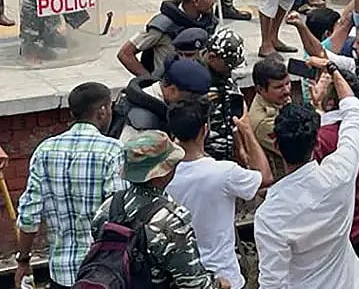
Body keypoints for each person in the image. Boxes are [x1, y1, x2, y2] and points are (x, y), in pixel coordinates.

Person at [255, 67, 359, 289]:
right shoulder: (340, 172)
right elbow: (355, 115)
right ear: (317, 144)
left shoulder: (270, 215)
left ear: (276, 144)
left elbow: (272, 284)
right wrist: (334, 71)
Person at [15, 83, 124, 289]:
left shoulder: (44, 150)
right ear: (102, 111)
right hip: (102, 273)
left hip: (61, 273)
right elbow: (117, 215)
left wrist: (23, 261)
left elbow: (29, 216)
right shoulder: (113, 151)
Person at [92, 130, 229, 288]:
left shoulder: (108, 207)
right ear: (163, 173)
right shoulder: (170, 221)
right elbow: (193, 284)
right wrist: (220, 284)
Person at [166, 99, 272, 289]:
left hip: (182, 278)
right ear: (204, 129)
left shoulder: (163, 174)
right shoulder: (224, 173)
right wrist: (246, 131)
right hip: (224, 275)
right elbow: (264, 177)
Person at [311, 68, 359, 274]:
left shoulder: (323, 139)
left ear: (333, 101)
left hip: (338, 231)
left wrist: (317, 108)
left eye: (324, 86)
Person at [118, 0, 219, 77]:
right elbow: (125, 54)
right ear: (196, 1)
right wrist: (149, 80)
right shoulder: (163, 25)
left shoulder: (208, 22)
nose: (214, 2)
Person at [110, 56, 213, 143]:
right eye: (192, 97)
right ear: (173, 90)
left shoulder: (160, 104)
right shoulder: (142, 121)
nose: (194, 102)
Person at [200, 28, 248, 162]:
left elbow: (234, 118)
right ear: (212, 57)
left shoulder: (227, 79)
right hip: (205, 155)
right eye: (228, 65)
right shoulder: (196, 83)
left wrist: (240, 148)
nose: (230, 70)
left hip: (227, 152)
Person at [248, 57, 293, 181]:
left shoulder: (276, 99)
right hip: (280, 182)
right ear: (260, 89)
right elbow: (296, 148)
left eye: (288, 83)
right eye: (279, 87)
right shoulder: (264, 121)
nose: (287, 90)